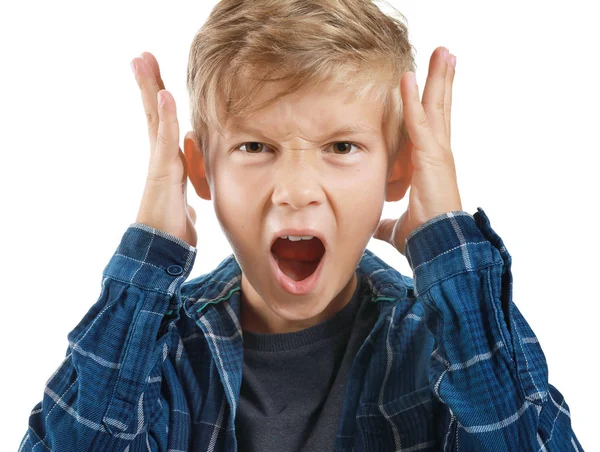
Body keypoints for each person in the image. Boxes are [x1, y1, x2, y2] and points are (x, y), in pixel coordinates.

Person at [18, 0, 584, 451]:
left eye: (341, 146)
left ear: (400, 169)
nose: (295, 191)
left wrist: (451, 258)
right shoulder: (157, 358)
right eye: (255, 146)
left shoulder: (441, 349)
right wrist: (147, 261)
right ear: (200, 170)